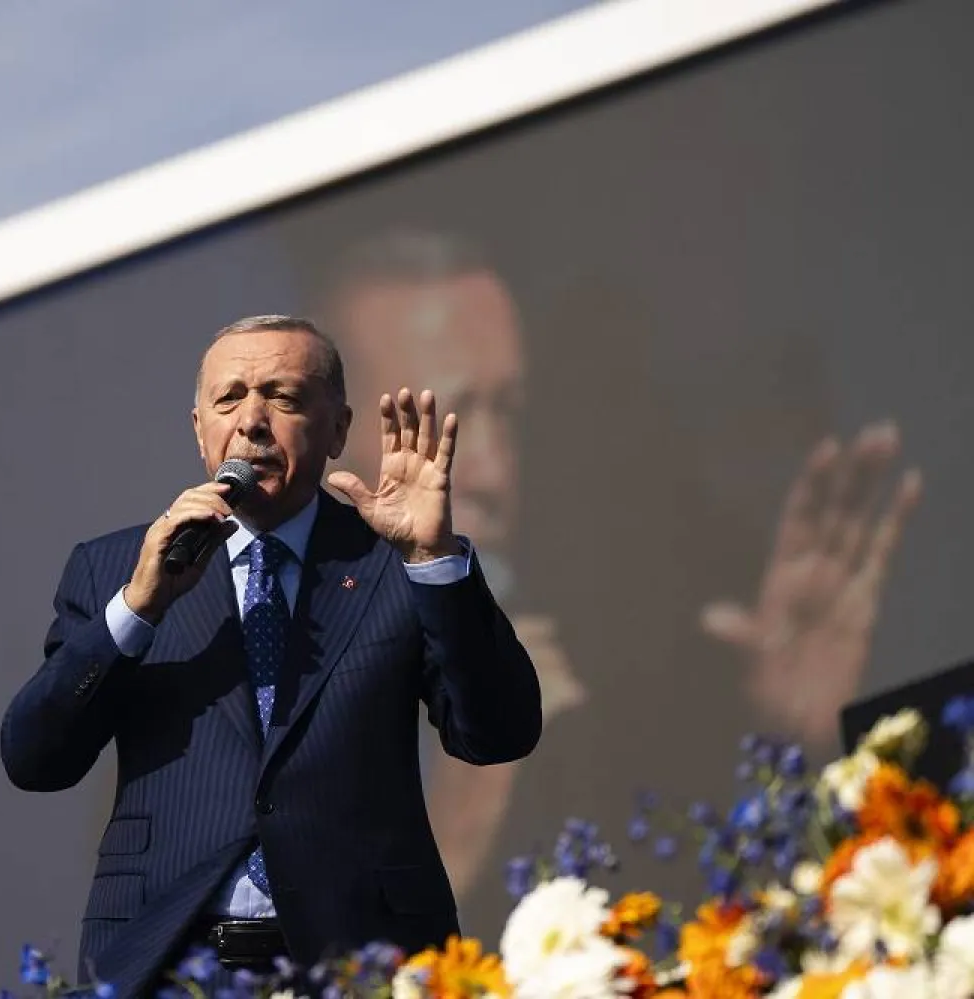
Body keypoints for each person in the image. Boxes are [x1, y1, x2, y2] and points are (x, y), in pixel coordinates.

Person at [317, 230, 922, 934]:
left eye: (505, 413)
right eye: (431, 429)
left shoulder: (589, 696)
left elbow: (712, 937)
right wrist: (449, 846)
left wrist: (792, 741)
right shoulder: (237, 723)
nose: (489, 471)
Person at [0, 315, 542, 998]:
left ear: (339, 429)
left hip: (364, 959)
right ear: (200, 428)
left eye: (283, 397)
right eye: (229, 399)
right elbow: (34, 758)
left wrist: (433, 560)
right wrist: (138, 606)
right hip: (165, 962)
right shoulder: (116, 567)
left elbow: (498, 733)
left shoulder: (392, 561)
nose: (252, 421)